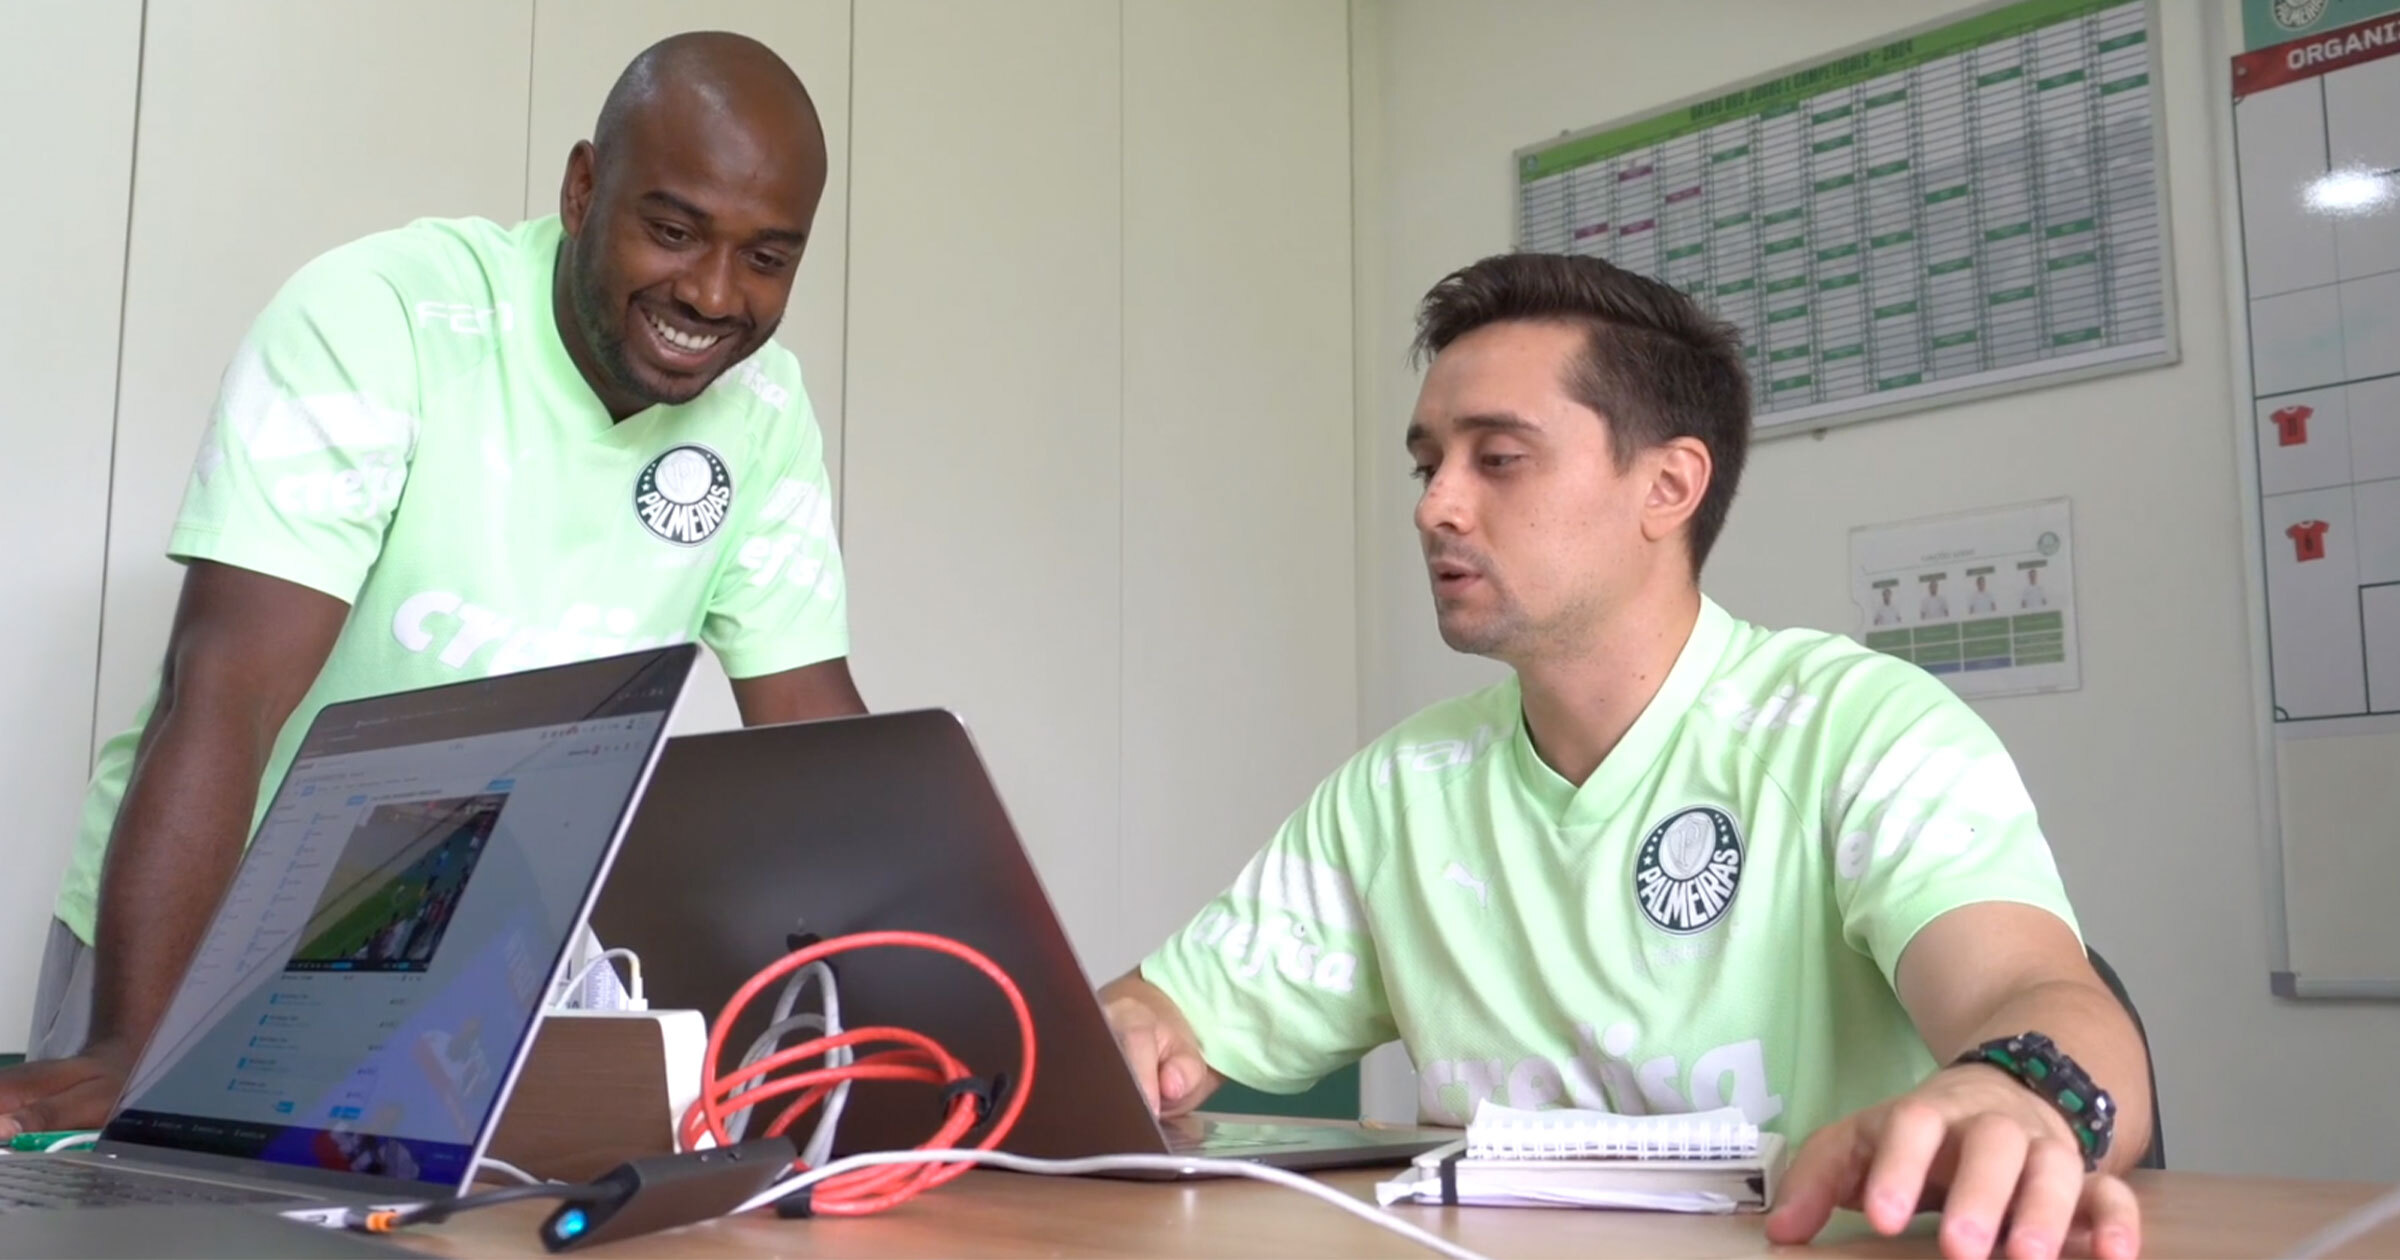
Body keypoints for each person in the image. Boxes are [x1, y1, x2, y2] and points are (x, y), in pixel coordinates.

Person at [1099, 253, 2151, 1260]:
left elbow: (2045, 996)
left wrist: (2008, 1092)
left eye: (1497, 459)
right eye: (1428, 465)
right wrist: (1127, 1027)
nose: (1436, 506)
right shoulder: (1400, 792)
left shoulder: (1858, 728)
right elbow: (1161, 1016)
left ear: (1669, 486)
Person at [0, 32, 865, 1136]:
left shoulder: (766, 415)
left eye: (766, 258)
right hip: (191, 947)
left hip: (461, 979)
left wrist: (936, 1028)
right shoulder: (381, 318)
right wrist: (134, 1046)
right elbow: (225, 693)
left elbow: (811, 751)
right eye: (673, 230)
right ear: (583, 186)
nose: (710, 292)